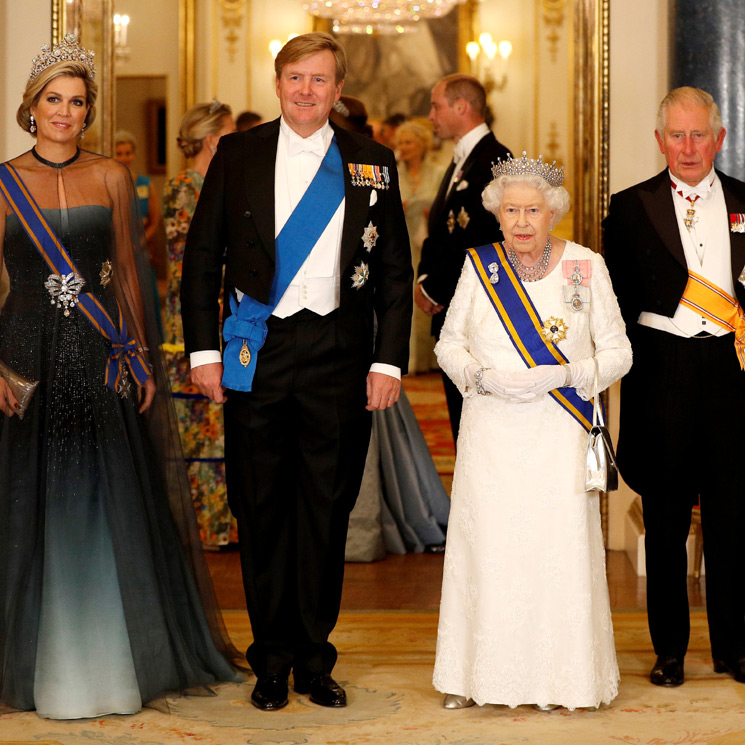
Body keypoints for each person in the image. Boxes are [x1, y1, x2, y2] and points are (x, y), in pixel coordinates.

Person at [0, 34, 237, 720]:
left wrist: (139, 354)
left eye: (77, 102)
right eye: (54, 100)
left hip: (100, 360)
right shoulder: (5, 179)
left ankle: (107, 665)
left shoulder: (110, 176)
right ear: (32, 107)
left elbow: (130, 271)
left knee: (107, 508)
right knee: (31, 509)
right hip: (28, 363)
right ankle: (38, 665)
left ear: (88, 110)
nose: (65, 112)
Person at [180, 32, 412, 710]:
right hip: (259, 348)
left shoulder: (372, 161)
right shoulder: (239, 153)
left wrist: (387, 357)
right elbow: (202, 259)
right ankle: (270, 659)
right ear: (277, 83)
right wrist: (203, 352)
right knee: (261, 503)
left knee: (326, 506)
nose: (305, 90)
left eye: (318, 80)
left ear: (338, 90)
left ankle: (314, 655)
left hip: (340, 351)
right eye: (293, 78)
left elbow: (394, 272)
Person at [432, 153, 631, 710]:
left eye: (533, 211)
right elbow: (447, 344)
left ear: (553, 213)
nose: (522, 221)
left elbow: (619, 351)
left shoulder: (585, 266)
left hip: (557, 432)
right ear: (497, 213)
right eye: (512, 210)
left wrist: (568, 374)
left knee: (554, 551)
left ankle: (561, 682)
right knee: (488, 549)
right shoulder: (479, 266)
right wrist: (480, 375)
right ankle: (472, 678)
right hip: (491, 431)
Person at [603, 86, 745, 688]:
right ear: (660, 141)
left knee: (734, 519)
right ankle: (669, 652)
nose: (688, 147)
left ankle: (734, 648)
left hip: (731, 376)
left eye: (699, 134)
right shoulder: (629, 207)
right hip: (661, 374)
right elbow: (614, 305)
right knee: (664, 521)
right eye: (676, 135)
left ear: (718, 137)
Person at [416, 74, 510, 445]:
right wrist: (425, 278)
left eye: (436, 105)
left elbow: (483, 242)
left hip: (475, 319)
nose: (430, 115)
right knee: (462, 425)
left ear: (461, 107)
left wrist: (435, 289)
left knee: (475, 428)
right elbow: (441, 230)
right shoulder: (463, 157)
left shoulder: (495, 159)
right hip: (455, 316)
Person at [162, 101, 237, 549]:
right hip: (191, 320)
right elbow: (186, 264)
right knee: (198, 426)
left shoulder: (213, 184)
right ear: (213, 140)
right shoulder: (185, 189)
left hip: (222, 315)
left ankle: (223, 521)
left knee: (219, 425)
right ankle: (204, 525)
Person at [395, 120, 445, 372]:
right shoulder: (392, 172)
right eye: (400, 142)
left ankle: (426, 359)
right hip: (398, 245)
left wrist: (430, 210)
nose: (404, 147)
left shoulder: (437, 173)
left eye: (409, 142)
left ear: (422, 145)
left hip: (427, 246)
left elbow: (445, 207)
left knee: (425, 295)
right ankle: (406, 359)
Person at [114, 129, 163, 337]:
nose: (124, 157)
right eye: (119, 153)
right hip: (116, 252)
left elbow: (155, 219)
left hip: (141, 251)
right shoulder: (109, 182)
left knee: (146, 300)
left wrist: (142, 240)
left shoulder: (144, 183)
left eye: (127, 153)